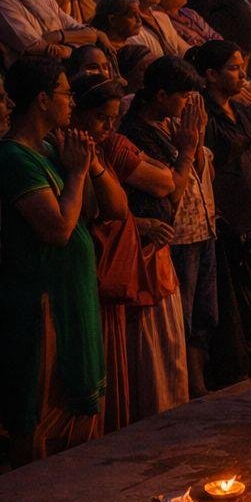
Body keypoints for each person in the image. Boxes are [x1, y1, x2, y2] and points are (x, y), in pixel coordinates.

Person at [0, 57, 106, 464]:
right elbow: (59, 229)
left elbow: (101, 210)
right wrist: (76, 174)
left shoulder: (49, 149)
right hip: (42, 302)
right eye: (65, 93)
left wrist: (87, 166)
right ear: (42, 100)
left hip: (71, 294)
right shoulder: (14, 158)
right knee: (39, 412)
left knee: (74, 412)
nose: (71, 101)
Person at [71, 72, 190, 424]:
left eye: (112, 118)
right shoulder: (87, 151)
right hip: (108, 265)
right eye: (100, 118)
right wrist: (186, 152)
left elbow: (161, 185)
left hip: (137, 256)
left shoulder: (109, 144)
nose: (108, 127)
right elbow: (161, 186)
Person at [189, 40, 251, 387]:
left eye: (241, 67)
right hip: (229, 222)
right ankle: (232, 372)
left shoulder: (242, 110)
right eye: (233, 68)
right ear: (210, 74)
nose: (242, 75)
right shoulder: (203, 115)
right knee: (233, 302)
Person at [119, 57, 216, 398]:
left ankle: (195, 385)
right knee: (180, 321)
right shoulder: (135, 134)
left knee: (203, 316)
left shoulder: (171, 125)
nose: (188, 104)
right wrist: (187, 149)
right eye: (183, 96)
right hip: (171, 236)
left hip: (200, 226)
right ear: (161, 95)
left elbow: (197, 173)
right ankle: (182, 391)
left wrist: (195, 140)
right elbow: (172, 191)